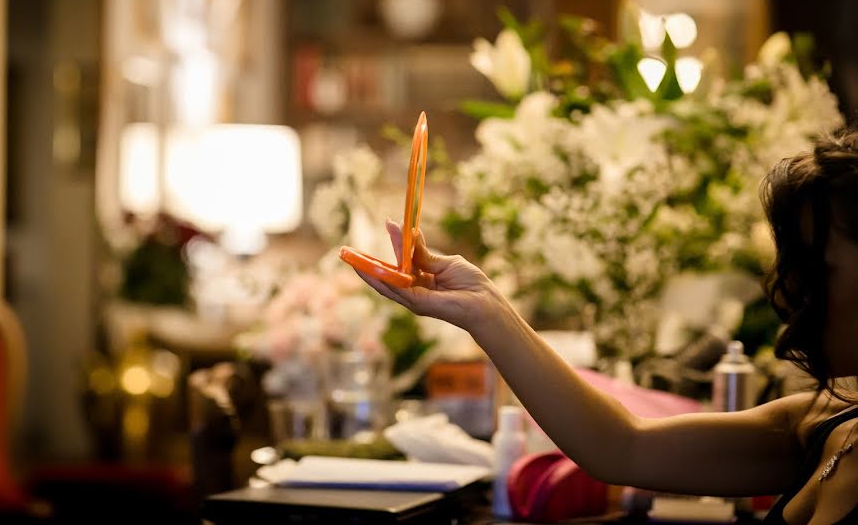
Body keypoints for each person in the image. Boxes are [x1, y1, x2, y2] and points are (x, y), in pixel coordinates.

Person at [353, 126, 858, 523]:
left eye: (815, 267)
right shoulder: (821, 424)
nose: (787, 290)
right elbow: (622, 446)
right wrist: (485, 308)